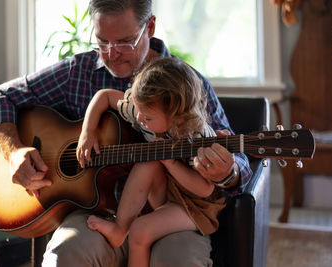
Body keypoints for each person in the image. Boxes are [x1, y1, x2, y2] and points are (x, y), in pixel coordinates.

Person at [0, 0, 252, 266]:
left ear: (150, 27)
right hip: (97, 214)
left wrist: (226, 172)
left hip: (174, 212)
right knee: (63, 256)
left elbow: (235, 159)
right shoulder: (78, 73)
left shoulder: (186, 86)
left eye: (124, 42)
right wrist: (13, 151)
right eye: (101, 41)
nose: (111, 53)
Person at [77, 57, 228, 267]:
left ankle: (129, 231)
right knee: (148, 159)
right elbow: (104, 96)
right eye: (138, 110)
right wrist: (88, 131)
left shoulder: (200, 136)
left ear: (179, 118)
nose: (139, 119)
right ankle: (120, 229)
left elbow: (205, 190)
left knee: (139, 230)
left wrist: (171, 163)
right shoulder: (144, 110)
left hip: (197, 206)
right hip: (166, 192)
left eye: (147, 118)